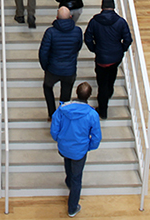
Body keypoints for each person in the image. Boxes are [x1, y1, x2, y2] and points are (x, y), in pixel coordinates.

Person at [50, 82, 101, 217]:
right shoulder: (92, 114)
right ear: (89, 96)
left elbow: (54, 129)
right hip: (79, 150)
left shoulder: (62, 109)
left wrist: (59, 139)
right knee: (77, 178)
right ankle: (72, 208)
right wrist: (88, 147)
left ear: (76, 92)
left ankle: (68, 180)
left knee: (67, 160)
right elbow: (96, 137)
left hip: (65, 147)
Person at [84, 0, 132, 119]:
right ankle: (108, 95)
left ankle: (103, 110)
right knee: (110, 80)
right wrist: (121, 49)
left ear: (102, 7)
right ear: (113, 6)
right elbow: (128, 39)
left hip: (101, 59)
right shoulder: (121, 22)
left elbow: (88, 38)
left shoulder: (94, 21)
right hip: (115, 58)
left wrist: (94, 49)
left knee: (102, 84)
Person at [39, 7, 83, 119]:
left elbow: (43, 52)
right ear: (71, 17)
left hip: (53, 69)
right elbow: (78, 47)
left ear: (57, 17)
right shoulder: (77, 31)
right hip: (69, 70)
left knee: (47, 87)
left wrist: (46, 67)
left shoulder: (50, 32)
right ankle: (62, 115)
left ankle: (52, 114)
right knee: (66, 94)